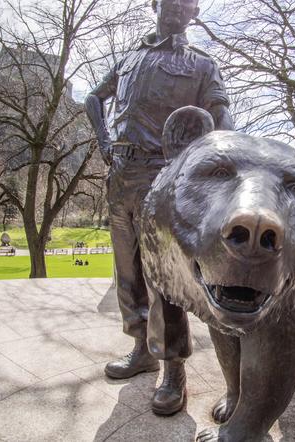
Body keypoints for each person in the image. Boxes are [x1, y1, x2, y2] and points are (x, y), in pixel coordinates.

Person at [84, 0, 233, 416]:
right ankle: (140, 349)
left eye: (184, 5)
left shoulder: (202, 65)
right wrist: (101, 140)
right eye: (168, 1)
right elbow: (93, 99)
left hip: (163, 175)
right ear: (155, 5)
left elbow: (221, 121)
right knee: (127, 272)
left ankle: (173, 372)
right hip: (120, 175)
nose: (174, 9)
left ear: (194, 13)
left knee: (162, 277)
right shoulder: (131, 55)